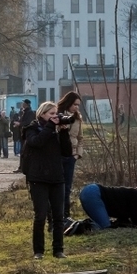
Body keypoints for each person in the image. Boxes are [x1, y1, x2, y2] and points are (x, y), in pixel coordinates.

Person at [23, 101, 70, 259]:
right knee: (40, 215)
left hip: (57, 178)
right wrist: (50, 126)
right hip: (38, 179)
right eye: (51, 114)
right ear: (42, 114)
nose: (55, 117)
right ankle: (38, 251)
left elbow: (67, 152)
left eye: (56, 114)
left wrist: (63, 132)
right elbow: (37, 142)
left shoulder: (55, 132)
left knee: (58, 216)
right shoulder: (32, 129)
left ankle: (58, 249)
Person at [73, 183, 137, 235]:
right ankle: (77, 227)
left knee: (103, 226)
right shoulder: (136, 195)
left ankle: (78, 226)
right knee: (106, 228)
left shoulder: (133, 196)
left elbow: (127, 219)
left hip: (90, 191)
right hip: (93, 193)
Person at [56, 91, 84, 220]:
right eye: (74, 104)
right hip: (57, 155)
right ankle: (55, 216)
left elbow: (80, 138)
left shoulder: (78, 118)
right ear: (68, 103)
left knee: (67, 187)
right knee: (56, 187)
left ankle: (66, 216)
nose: (76, 107)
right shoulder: (57, 115)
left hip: (71, 156)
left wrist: (78, 154)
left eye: (78, 105)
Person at [13, 99, 35, 173]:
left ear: (27, 104)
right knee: (22, 152)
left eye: (23, 103)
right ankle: (21, 167)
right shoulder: (24, 112)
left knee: (24, 152)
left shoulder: (30, 112)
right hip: (22, 134)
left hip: (26, 135)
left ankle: (24, 168)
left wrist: (20, 124)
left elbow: (29, 122)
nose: (22, 104)